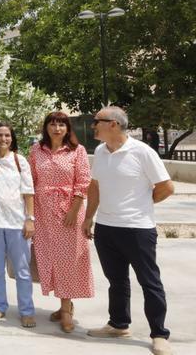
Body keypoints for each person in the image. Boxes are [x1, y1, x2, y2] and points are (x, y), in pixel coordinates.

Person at [83, 107, 174, 355]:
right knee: (117, 281)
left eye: (96, 122)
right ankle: (118, 324)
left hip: (137, 229)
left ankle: (159, 334)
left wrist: (143, 203)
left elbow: (166, 187)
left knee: (149, 282)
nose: (93, 126)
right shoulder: (101, 152)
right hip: (106, 228)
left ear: (112, 124)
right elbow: (95, 187)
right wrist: (89, 217)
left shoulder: (142, 152)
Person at [28, 112, 93, 334]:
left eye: (61, 124)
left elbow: (83, 183)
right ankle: (63, 303)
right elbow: (31, 181)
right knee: (49, 258)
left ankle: (66, 310)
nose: (57, 128)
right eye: (52, 124)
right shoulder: (36, 150)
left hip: (69, 212)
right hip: (43, 211)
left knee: (68, 259)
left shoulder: (78, 150)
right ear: (46, 127)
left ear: (67, 128)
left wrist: (74, 211)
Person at [0, 122, 36, 328]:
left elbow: (28, 192)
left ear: (12, 138)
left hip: (17, 223)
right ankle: (0, 306)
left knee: (22, 270)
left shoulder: (20, 161)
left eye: (7, 135)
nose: (3, 139)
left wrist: (30, 219)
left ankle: (26, 311)